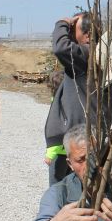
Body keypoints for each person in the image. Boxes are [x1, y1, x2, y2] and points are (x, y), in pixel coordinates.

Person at [43, 12, 93, 186]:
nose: (69, 33)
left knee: (60, 190)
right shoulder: (92, 56)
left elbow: (60, 48)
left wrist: (61, 23)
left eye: (73, 29)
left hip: (71, 141)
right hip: (71, 138)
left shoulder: (85, 55)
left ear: (87, 35)